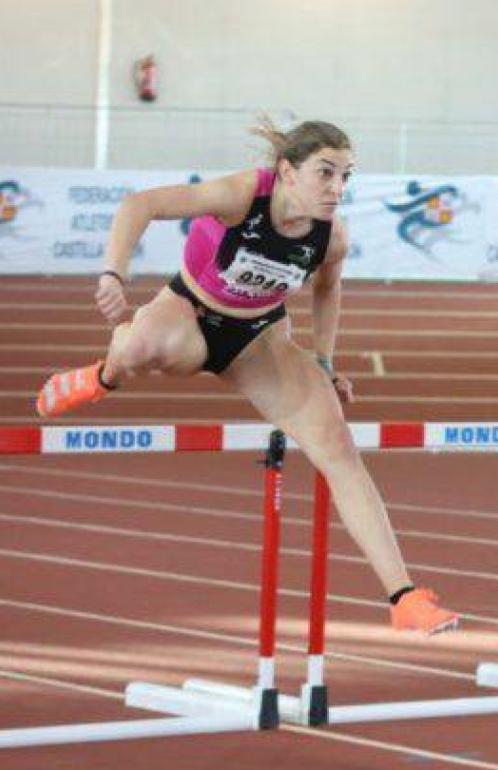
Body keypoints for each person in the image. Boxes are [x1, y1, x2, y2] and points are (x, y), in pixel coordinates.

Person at [35, 119, 458, 636]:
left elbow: (327, 290)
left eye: (346, 176)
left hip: (259, 338)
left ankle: (403, 598)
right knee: (142, 345)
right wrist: (112, 273)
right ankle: (103, 376)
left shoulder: (330, 237)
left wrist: (325, 364)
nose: (337, 188)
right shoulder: (241, 195)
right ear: (287, 172)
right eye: (326, 173)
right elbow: (139, 205)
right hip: (188, 315)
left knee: (338, 447)